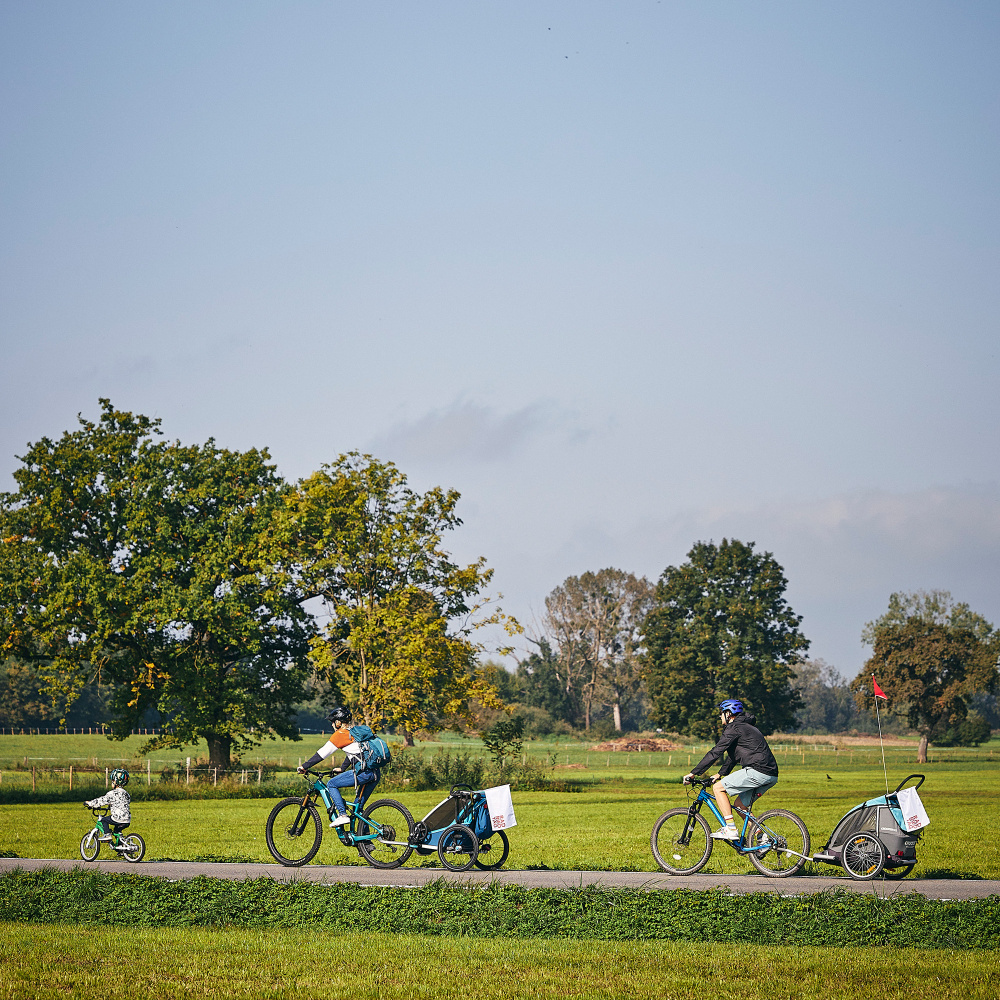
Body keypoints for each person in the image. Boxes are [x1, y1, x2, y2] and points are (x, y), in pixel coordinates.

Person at [683, 699, 779, 840]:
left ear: (729, 714)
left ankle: (730, 829)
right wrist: (720, 773)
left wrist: (693, 773)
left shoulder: (734, 728)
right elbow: (734, 756)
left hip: (757, 770)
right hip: (771, 774)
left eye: (721, 713)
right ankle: (763, 838)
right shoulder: (746, 727)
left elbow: (716, 752)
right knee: (740, 805)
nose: (720, 716)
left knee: (718, 789)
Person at [297, 707, 379, 828]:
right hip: (375, 772)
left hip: (363, 773)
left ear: (338, 722)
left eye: (333, 721)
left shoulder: (340, 735)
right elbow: (355, 753)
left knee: (331, 784)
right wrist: (342, 768)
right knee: (358, 810)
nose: (332, 725)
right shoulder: (354, 732)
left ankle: (342, 815)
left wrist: (304, 766)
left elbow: (322, 753)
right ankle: (365, 843)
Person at [85, 768, 132, 845]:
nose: (112, 783)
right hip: (127, 819)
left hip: (118, 818)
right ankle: (121, 849)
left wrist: (90, 803)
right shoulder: (126, 794)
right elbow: (121, 803)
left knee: (103, 820)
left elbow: (101, 800)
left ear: (115, 781)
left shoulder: (112, 793)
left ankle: (107, 835)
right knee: (117, 831)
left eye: (112, 781)